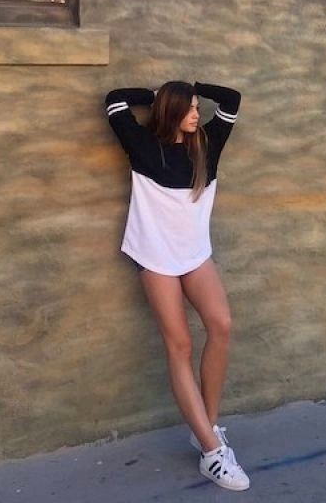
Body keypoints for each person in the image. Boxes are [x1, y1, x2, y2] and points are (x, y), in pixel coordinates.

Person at [105, 80, 250, 492]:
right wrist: (155, 95)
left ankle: (207, 426)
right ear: (170, 111)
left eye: (197, 107)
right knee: (180, 345)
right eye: (188, 108)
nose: (196, 114)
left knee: (221, 325)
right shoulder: (141, 145)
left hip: (194, 253)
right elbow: (114, 101)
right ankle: (212, 453)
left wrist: (192, 88)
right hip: (154, 255)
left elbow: (232, 100)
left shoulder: (207, 143)